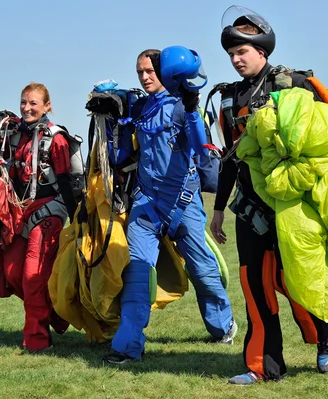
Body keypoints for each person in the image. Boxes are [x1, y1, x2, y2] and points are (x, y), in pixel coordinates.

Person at [210, 5, 328, 384]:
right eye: (232, 54)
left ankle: (323, 332)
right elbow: (230, 158)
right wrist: (218, 210)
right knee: (254, 284)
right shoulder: (229, 98)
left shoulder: (295, 84)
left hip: (291, 205)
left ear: (262, 51)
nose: (236, 60)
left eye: (242, 52)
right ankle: (263, 367)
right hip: (250, 205)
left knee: (295, 277)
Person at [102, 49, 236, 364]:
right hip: (147, 206)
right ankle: (127, 347)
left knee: (203, 271)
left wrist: (191, 109)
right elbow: (119, 158)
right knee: (137, 273)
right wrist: (109, 121)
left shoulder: (181, 107)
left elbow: (203, 151)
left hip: (183, 204)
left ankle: (221, 326)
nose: (146, 77)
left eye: (151, 71)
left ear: (166, 73)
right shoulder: (139, 109)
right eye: (140, 72)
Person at [3, 82, 75, 352]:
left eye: (33, 103)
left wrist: (77, 217)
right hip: (22, 211)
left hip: (50, 210)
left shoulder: (55, 138)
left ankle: (37, 340)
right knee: (11, 272)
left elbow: (67, 182)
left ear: (47, 106)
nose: (26, 108)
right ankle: (55, 312)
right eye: (23, 102)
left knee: (33, 276)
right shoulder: (14, 137)